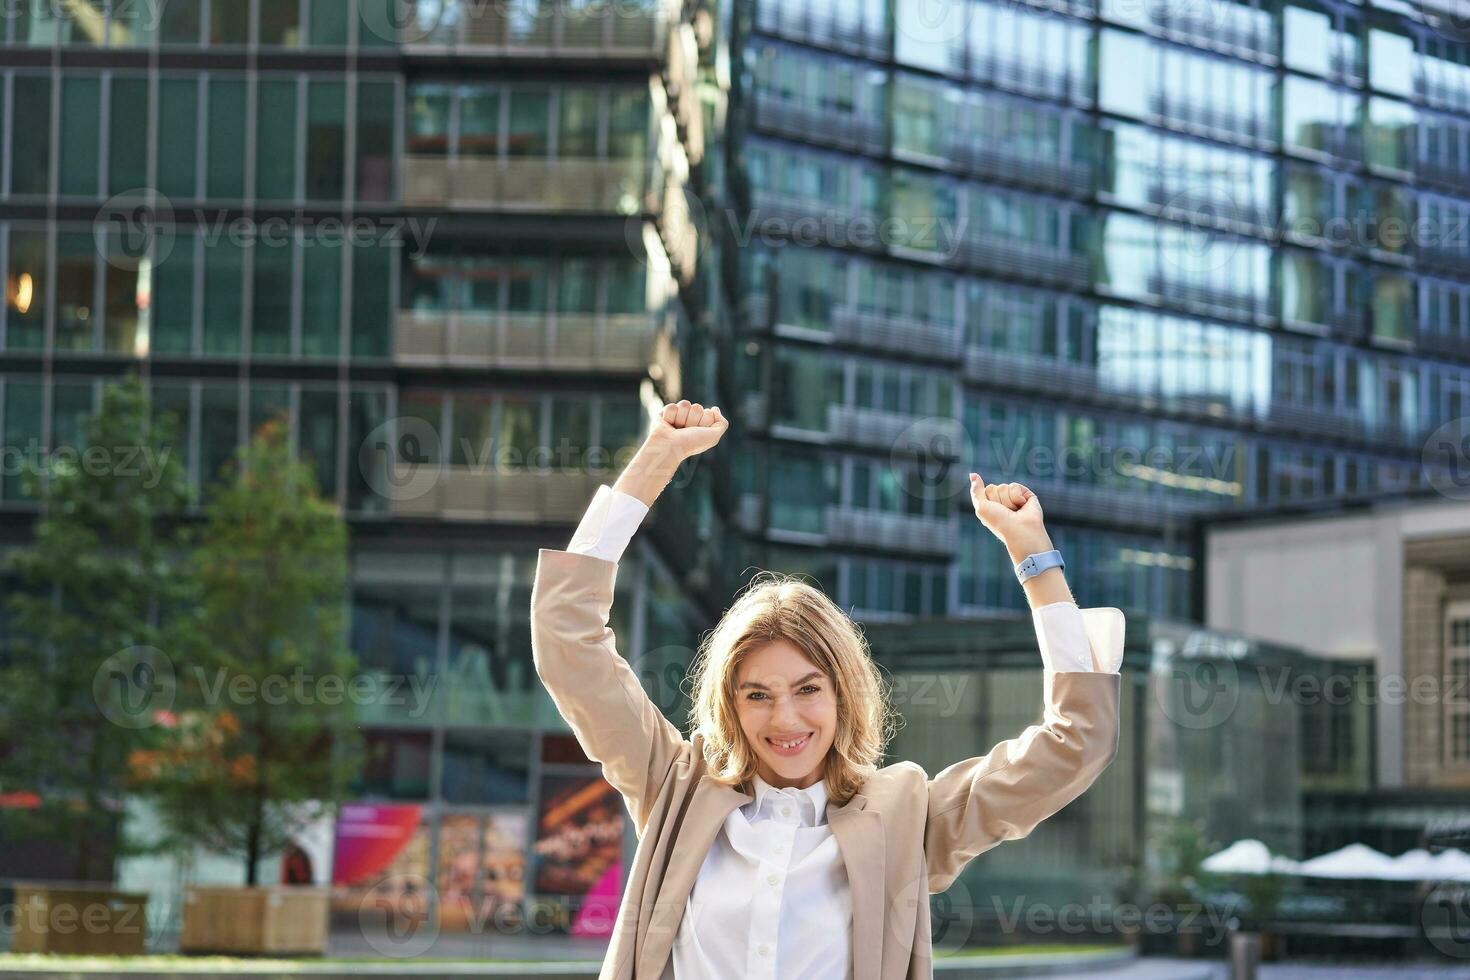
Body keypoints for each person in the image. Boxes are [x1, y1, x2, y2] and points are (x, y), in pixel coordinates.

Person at [530, 399, 1124, 980]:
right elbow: (567, 637)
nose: (785, 718)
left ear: (843, 693)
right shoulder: (675, 788)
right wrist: (657, 457)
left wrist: (1034, 556)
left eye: (808, 689)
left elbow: (1075, 744)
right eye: (757, 694)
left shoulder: (904, 818)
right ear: (730, 705)